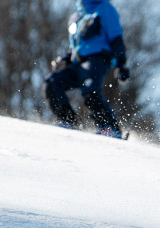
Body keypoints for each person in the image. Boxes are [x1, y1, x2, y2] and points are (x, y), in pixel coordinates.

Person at [43, 0, 130, 139]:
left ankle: (110, 128)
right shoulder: (76, 17)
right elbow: (75, 45)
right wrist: (65, 58)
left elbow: (116, 36)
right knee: (52, 83)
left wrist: (121, 64)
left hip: (97, 59)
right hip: (77, 63)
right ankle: (69, 121)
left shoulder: (103, 8)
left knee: (90, 91)